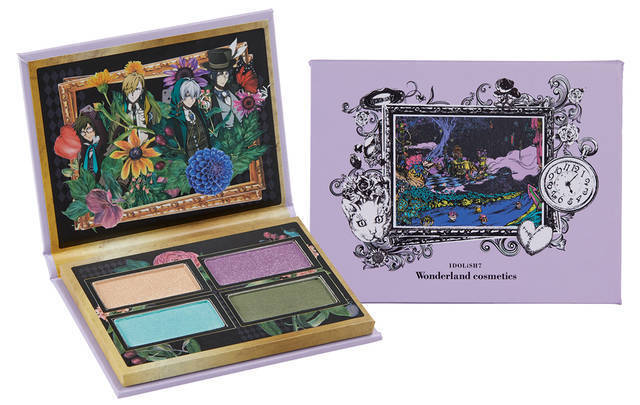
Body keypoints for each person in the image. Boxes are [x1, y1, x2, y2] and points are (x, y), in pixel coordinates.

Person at [168, 78, 210, 158]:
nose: (192, 99)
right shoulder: (174, 121)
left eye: (194, 95)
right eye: (188, 95)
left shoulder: (199, 113)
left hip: (206, 157)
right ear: (180, 96)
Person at [202, 48, 241, 129]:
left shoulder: (234, 90)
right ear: (212, 76)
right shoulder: (208, 98)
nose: (224, 78)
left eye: (226, 73)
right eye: (220, 74)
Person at [74, 106, 107, 180]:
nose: (86, 134)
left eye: (88, 129)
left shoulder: (105, 146)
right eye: (83, 132)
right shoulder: (84, 150)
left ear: (95, 127)